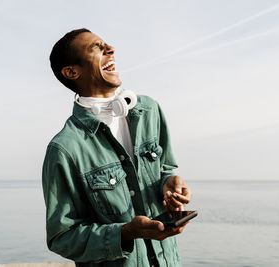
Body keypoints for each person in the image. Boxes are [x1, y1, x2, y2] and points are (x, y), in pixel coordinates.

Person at [42, 28, 192, 267]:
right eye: (97, 48)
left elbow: (166, 169)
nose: (110, 49)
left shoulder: (149, 111)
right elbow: (63, 238)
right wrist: (125, 233)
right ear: (71, 71)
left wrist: (169, 185)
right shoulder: (65, 149)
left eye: (107, 45)